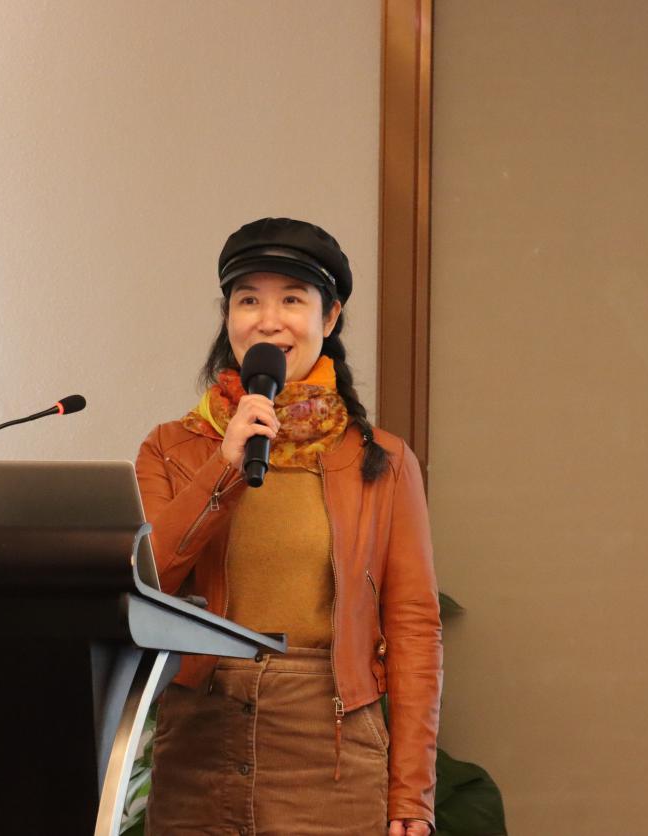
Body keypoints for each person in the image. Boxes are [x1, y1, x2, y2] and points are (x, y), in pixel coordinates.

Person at [135, 217, 442, 835]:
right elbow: (147, 584)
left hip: (330, 751)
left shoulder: (382, 460)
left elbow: (413, 627)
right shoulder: (171, 448)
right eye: (248, 300)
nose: (268, 320)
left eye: (292, 301)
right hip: (201, 742)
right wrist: (222, 470)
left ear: (330, 319)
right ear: (228, 317)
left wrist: (412, 794)